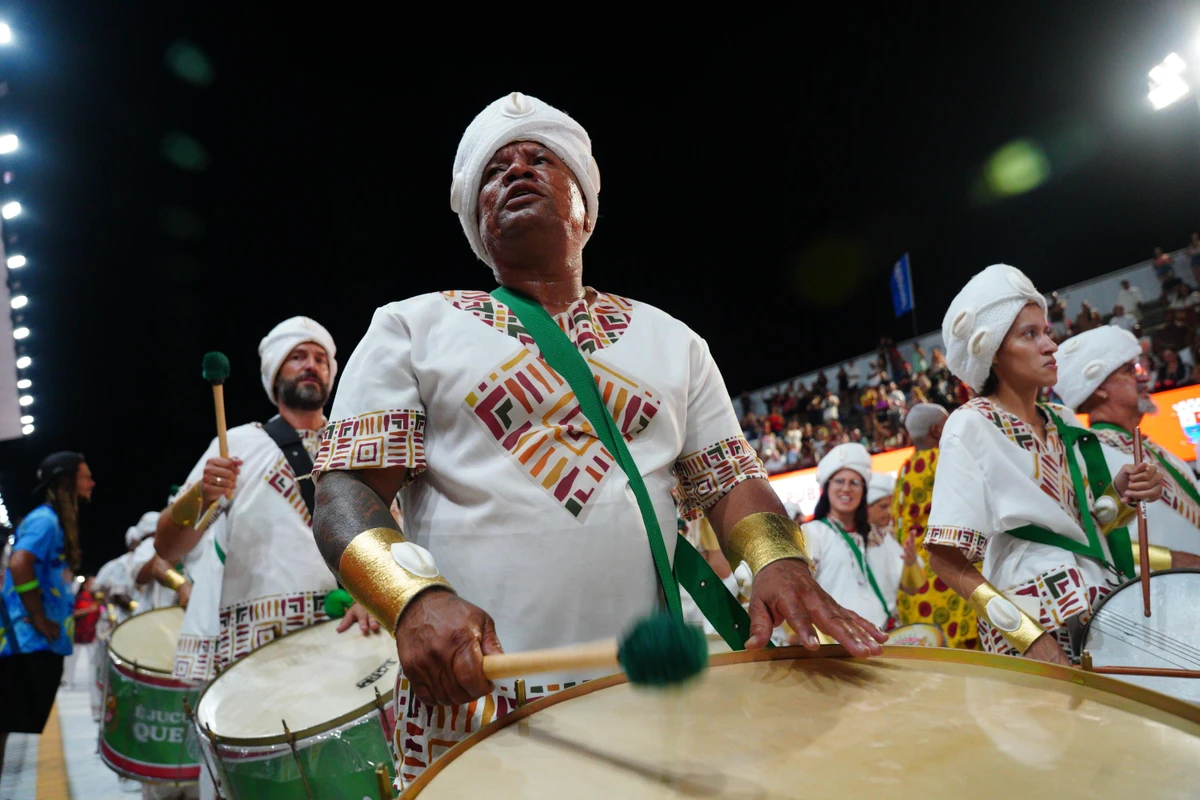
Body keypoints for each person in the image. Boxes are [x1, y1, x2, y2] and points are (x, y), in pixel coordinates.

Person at [309, 91, 886, 789]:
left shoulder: (673, 342)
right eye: (494, 170)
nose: (516, 170)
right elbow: (343, 492)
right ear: (474, 217)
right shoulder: (411, 326)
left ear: (585, 203)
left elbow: (732, 480)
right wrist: (412, 598)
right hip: (478, 697)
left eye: (540, 158)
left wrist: (775, 560)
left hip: (646, 690)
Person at [925, 264, 1185, 665]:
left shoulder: (1062, 420)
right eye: (1029, 334)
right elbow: (945, 559)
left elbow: (1091, 524)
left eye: (1046, 331)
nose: (1050, 345)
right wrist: (1029, 637)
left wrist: (1121, 496)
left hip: (1102, 605)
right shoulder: (970, 423)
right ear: (993, 352)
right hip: (1033, 620)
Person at [155, 317, 378, 693]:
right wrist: (202, 496)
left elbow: (389, 536)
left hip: (348, 634)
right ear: (275, 375)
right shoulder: (236, 444)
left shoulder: (354, 446)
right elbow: (168, 548)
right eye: (298, 357)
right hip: (256, 649)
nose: (311, 365)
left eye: (321, 359)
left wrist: (374, 597)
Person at [1053, 326, 1200, 556]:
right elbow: (1096, 540)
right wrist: (1173, 562)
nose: (1143, 377)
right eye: (1130, 370)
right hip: (1160, 588)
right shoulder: (1086, 456)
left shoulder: (1155, 450)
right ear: (1100, 387)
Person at [0, 452, 95, 769]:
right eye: (85, 475)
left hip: (33, 642)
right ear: (66, 480)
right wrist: (38, 616)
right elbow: (19, 562)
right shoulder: (46, 520)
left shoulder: (53, 521)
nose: (91, 482)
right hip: (24, 641)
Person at [890, 404, 978, 648]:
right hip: (952, 575)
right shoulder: (948, 459)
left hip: (916, 581)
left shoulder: (904, 470)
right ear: (937, 430)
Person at [798, 445, 903, 631]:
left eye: (854, 483)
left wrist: (910, 560)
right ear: (827, 487)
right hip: (836, 642)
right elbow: (797, 589)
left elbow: (910, 584)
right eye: (839, 481)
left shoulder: (878, 535)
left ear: (863, 491)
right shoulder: (812, 532)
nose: (846, 488)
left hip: (887, 636)